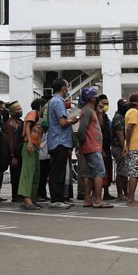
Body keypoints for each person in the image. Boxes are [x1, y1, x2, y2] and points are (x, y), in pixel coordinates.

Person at [47, 78, 80, 209]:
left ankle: (60, 198)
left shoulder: (56, 101)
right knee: (57, 173)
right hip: (58, 141)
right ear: (63, 88)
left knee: (60, 173)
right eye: (67, 86)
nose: (68, 89)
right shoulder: (58, 101)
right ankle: (56, 200)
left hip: (59, 141)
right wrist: (75, 119)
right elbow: (63, 122)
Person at [77, 88, 112, 208]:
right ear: (90, 98)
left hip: (92, 145)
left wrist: (100, 112)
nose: (97, 98)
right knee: (99, 172)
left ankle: (88, 199)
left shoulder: (91, 110)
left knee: (89, 172)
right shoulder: (87, 110)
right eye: (95, 96)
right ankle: (98, 199)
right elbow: (82, 129)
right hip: (92, 146)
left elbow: (98, 126)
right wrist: (81, 142)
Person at [19, 98, 44, 210]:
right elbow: (27, 126)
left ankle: (32, 198)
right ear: (40, 106)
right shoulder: (33, 113)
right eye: (44, 107)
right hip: (29, 144)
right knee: (28, 172)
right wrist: (29, 142)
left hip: (35, 146)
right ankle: (26, 199)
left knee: (35, 173)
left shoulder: (40, 117)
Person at [3, 101, 24, 202]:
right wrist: (13, 155)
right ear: (12, 112)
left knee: (20, 175)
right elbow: (10, 141)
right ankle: (16, 195)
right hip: (15, 154)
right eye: (18, 109)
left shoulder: (20, 121)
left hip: (20, 152)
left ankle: (20, 194)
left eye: (20, 108)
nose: (20, 111)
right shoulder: (10, 123)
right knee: (16, 175)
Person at [96, 95, 114, 200]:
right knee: (100, 172)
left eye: (107, 104)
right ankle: (96, 195)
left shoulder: (106, 117)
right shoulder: (97, 116)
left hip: (107, 147)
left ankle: (106, 192)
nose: (105, 106)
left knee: (108, 171)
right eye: (103, 103)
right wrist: (101, 149)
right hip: (99, 148)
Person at [111, 98, 128, 201]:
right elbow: (119, 134)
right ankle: (120, 194)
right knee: (121, 171)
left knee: (124, 171)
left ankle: (126, 192)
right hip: (119, 147)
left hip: (122, 146)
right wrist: (124, 148)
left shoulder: (123, 116)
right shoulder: (118, 117)